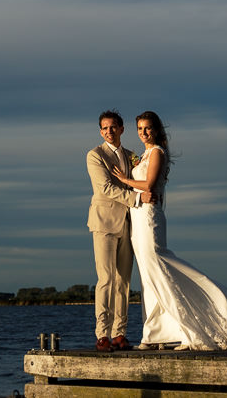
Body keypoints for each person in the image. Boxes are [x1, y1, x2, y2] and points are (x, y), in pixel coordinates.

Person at [108, 111, 227, 350]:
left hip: (149, 218)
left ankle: (193, 329)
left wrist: (125, 181)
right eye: (140, 129)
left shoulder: (157, 152)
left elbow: (149, 185)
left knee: (162, 269)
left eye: (147, 128)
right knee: (149, 276)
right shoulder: (143, 155)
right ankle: (155, 334)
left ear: (156, 130)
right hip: (137, 219)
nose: (143, 133)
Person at [87, 110, 152, 351]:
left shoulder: (131, 156)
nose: (108, 132)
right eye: (104, 128)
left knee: (124, 281)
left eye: (113, 127)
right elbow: (104, 188)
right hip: (104, 223)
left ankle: (119, 334)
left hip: (128, 224)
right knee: (106, 279)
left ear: (122, 129)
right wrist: (137, 198)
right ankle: (102, 335)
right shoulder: (95, 155)